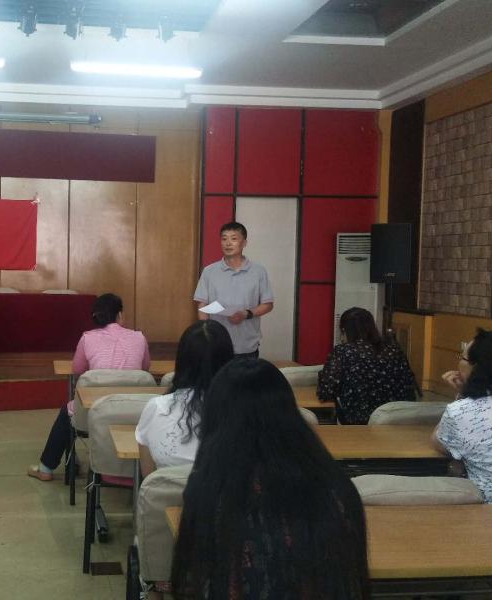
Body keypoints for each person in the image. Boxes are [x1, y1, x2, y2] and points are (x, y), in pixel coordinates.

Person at [172, 359, 369, 600]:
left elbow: (195, 578)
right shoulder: (336, 488)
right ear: (289, 412)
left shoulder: (209, 490)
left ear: (215, 417)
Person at [28, 293, 149, 481]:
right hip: (136, 412)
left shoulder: (87, 338)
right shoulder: (139, 338)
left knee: (66, 413)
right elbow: (145, 369)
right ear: (120, 315)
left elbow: (77, 370)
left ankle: (46, 468)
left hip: (96, 413)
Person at [136, 320, 233, 479]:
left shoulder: (156, 408)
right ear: (228, 362)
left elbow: (149, 481)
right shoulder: (244, 413)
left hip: (164, 495)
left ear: (181, 360)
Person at [433, 328, 492, 503]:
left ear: (476, 367)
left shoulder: (461, 411)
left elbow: (439, 442)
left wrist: (463, 395)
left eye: (462, 357)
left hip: (487, 509)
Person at [317, 307, 417, 425]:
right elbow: (409, 392)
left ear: (344, 330)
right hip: (395, 421)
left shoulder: (342, 352)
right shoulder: (395, 350)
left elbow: (326, 392)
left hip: (356, 424)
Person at [194, 221, 273, 359]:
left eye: (234, 238)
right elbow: (202, 305)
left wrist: (246, 313)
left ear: (244, 243)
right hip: (216, 344)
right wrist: (206, 334)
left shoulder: (258, 271)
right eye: (224, 239)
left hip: (247, 345)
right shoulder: (209, 271)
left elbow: (267, 304)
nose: (228, 243)